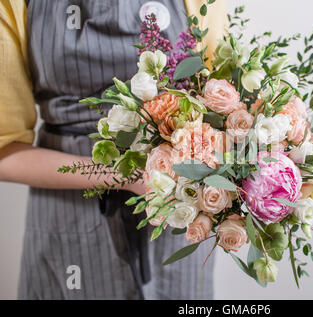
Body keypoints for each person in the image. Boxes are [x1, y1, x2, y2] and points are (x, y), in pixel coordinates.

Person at [0, 0, 227, 300]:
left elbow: (223, 104)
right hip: (69, 218)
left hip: (177, 217)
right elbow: (4, 151)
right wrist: (124, 176)